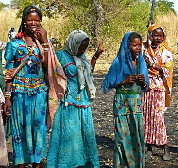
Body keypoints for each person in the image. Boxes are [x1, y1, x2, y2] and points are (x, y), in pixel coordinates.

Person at [3, 6, 51, 167]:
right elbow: (9, 73)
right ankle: (21, 164)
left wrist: (44, 42)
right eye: (30, 19)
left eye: (37, 20)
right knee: (19, 130)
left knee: (39, 130)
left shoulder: (43, 43)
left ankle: (37, 164)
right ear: (24, 21)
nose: (34, 23)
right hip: (19, 93)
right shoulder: (14, 44)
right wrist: (7, 98)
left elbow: (47, 68)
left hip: (39, 92)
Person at [47, 30, 103, 168]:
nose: (82, 50)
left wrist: (95, 57)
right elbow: (52, 76)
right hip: (68, 104)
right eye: (81, 47)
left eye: (85, 47)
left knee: (84, 137)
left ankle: (82, 164)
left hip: (83, 102)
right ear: (73, 44)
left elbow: (87, 73)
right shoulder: (60, 55)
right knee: (68, 138)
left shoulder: (81, 56)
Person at [101, 32, 149, 168]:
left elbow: (145, 87)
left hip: (136, 103)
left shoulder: (141, 62)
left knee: (137, 134)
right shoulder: (118, 62)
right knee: (122, 136)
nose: (138, 48)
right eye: (134, 45)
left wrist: (143, 82)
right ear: (127, 46)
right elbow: (107, 84)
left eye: (140, 45)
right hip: (121, 102)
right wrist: (123, 81)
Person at [142, 23, 174, 161]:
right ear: (150, 36)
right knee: (146, 117)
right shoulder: (143, 49)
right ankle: (148, 147)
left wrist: (152, 65)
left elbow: (167, 70)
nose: (158, 38)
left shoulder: (166, 52)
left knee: (158, 118)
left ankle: (165, 147)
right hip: (144, 87)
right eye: (156, 35)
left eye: (161, 35)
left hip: (159, 87)